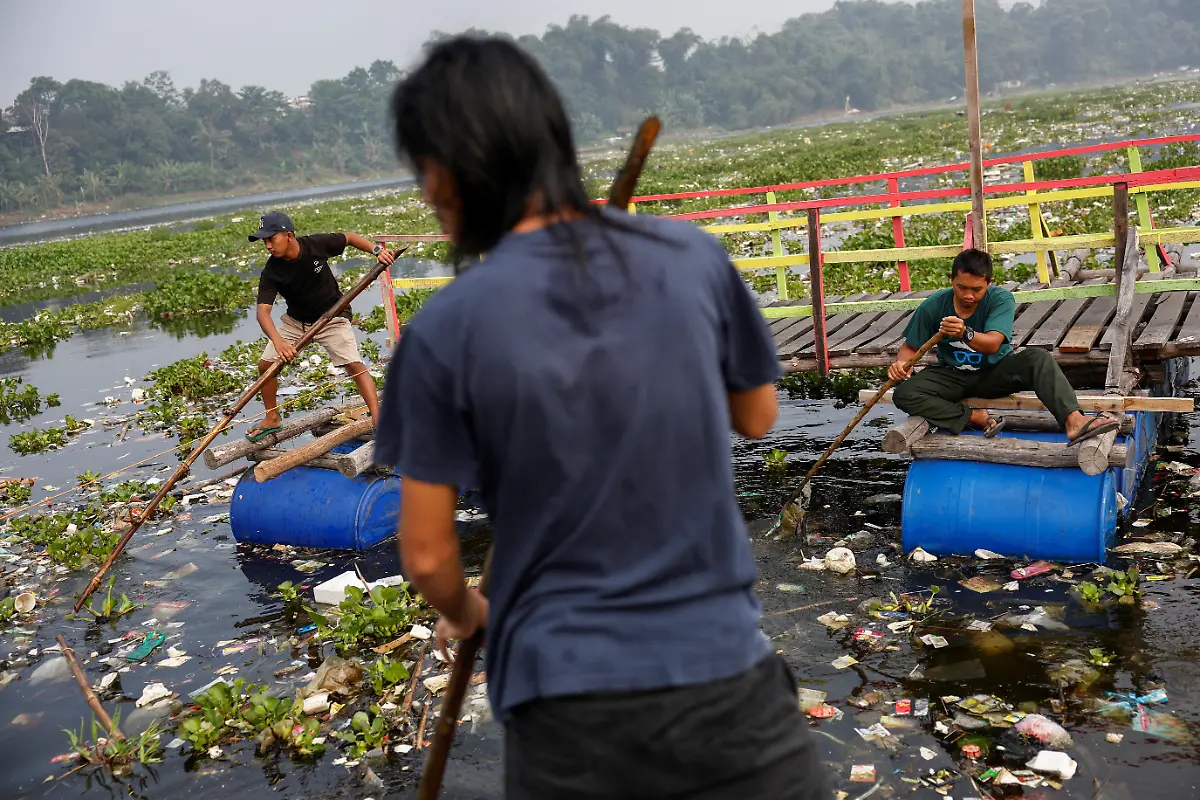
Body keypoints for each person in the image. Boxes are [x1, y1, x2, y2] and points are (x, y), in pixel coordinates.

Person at [373, 35, 831, 800]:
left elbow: (425, 557)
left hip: (565, 712)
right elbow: (755, 414)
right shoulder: (691, 259)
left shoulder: (443, 332)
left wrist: (473, 612)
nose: (425, 194)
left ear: (456, 168)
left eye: (424, 171)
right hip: (730, 693)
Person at [890, 248, 1119, 443]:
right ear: (952, 280)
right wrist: (901, 365)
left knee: (1038, 359)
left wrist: (965, 332)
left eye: (977, 289)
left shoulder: (1000, 299)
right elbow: (910, 348)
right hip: (953, 375)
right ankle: (973, 417)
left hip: (995, 372)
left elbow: (992, 344)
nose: (968, 295)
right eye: (962, 288)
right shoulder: (933, 305)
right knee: (904, 393)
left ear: (989, 282)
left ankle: (1074, 421)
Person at [245, 211, 394, 440]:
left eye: (271, 239)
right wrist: (279, 341)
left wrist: (377, 251)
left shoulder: (315, 245)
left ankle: (378, 419)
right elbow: (262, 313)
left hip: (332, 316)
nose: (267, 246)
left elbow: (350, 237)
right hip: (296, 322)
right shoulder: (272, 271)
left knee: (354, 365)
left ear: (289, 235)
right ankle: (272, 417)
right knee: (266, 366)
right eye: (264, 241)